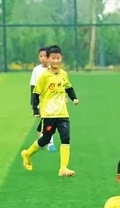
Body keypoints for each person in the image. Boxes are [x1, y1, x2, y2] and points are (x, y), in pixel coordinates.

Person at [21, 45, 79, 177]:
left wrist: (74, 98)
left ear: (61, 58)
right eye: (53, 58)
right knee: (45, 139)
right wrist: (35, 108)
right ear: (48, 59)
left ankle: (63, 168)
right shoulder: (44, 76)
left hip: (62, 113)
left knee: (65, 138)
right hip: (49, 114)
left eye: (58, 58)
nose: (56, 61)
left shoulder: (63, 74)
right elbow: (36, 93)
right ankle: (27, 154)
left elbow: (68, 87)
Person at [30, 47, 56, 152]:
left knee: (48, 120)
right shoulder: (36, 70)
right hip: (41, 99)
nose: (43, 58)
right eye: (41, 56)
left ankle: (43, 139)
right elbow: (33, 86)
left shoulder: (53, 69)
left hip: (52, 99)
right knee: (47, 120)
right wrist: (33, 104)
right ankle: (49, 142)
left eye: (45, 56)